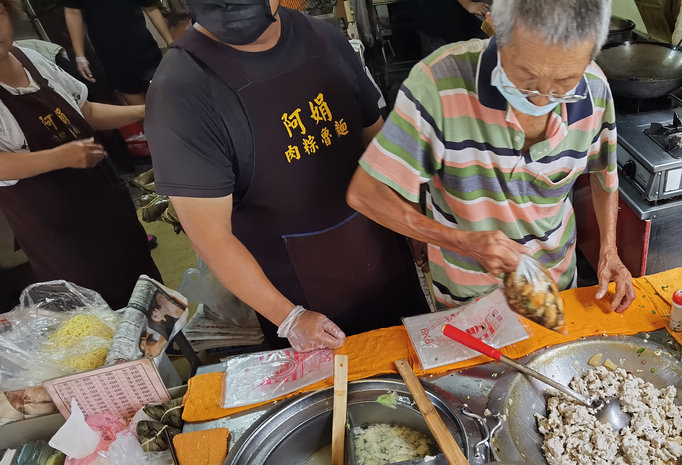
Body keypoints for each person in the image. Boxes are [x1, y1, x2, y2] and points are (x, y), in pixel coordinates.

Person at [146, 0, 427, 351]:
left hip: (386, 259)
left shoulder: (325, 38)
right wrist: (290, 317)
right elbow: (210, 236)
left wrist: (410, 217)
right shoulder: (181, 89)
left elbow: (376, 140)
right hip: (299, 294)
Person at [347, 0, 636, 314]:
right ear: (495, 26)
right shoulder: (438, 83)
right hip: (467, 299)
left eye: (564, 84)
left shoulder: (594, 89)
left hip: (555, 289)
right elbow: (366, 194)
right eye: (526, 78)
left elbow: (604, 175)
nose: (541, 98)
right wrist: (459, 241)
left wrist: (609, 249)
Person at [0, 0, 162, 310]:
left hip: (104, 202)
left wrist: (145, 110)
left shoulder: (30, 57)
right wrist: (60, 157)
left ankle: (165, 348)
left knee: (142, 281)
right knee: (96, 306)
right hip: (58, 231)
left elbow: (84, 110)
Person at [62, 0, 173, 105]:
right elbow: (73, 12)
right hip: (110, 53)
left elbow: (150, 7)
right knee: (134, 97)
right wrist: (80, 56)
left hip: (142, 43)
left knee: (167, 95)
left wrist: (170, 42)